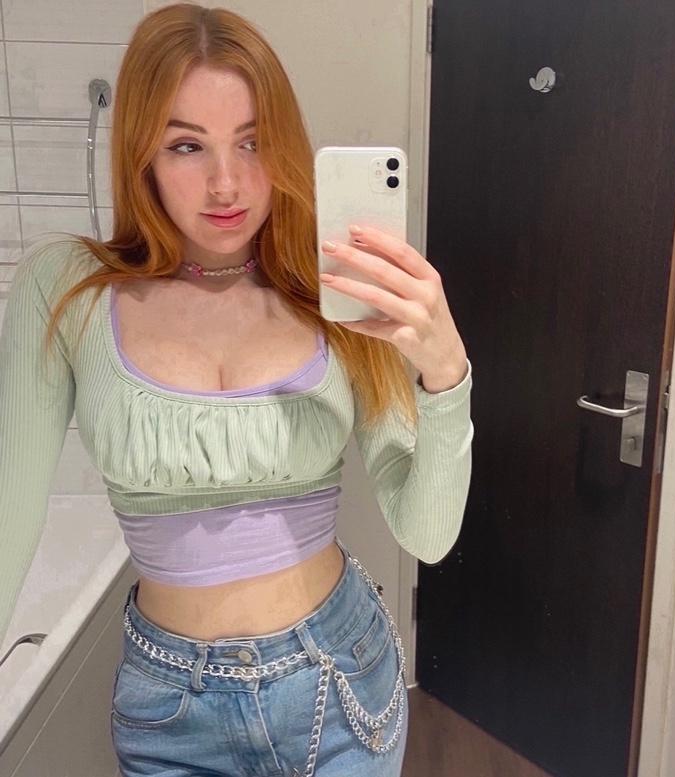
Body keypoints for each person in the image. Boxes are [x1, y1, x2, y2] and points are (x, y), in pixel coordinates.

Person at [0, 3, 473, 776]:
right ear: (141, 153)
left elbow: (427, 534)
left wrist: (445, 374)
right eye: (187, 145)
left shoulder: (334, 285)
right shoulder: (67, 289)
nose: (226, 183)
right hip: (171, 713)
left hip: (340, 681)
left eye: (252, 141)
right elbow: (9, 517)